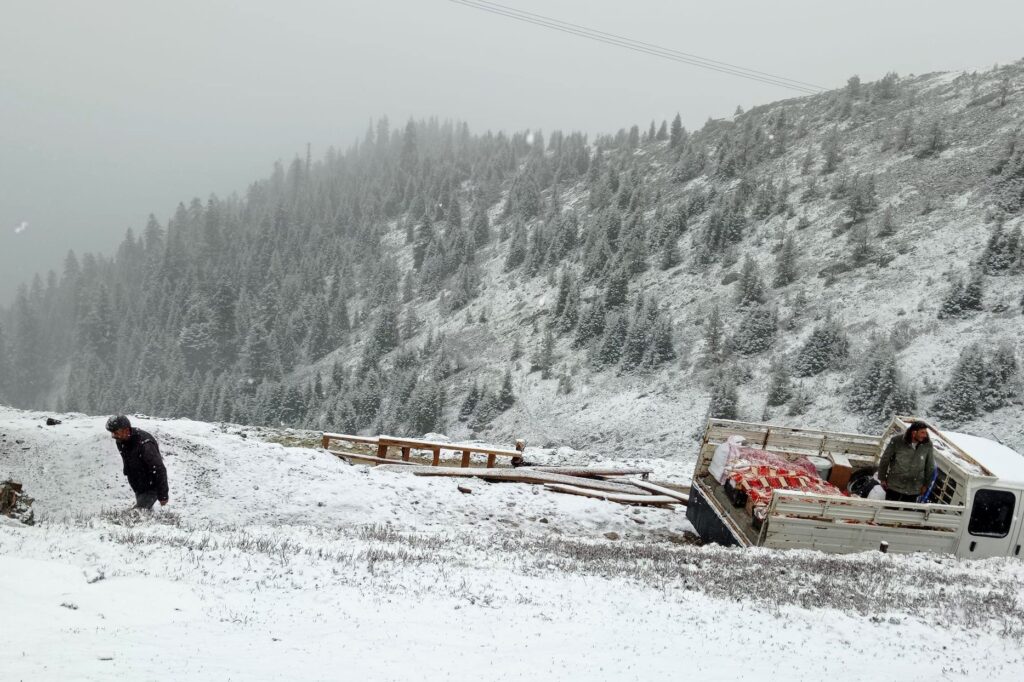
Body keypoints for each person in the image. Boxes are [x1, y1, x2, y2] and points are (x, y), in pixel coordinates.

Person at [106, 415, 169, 510]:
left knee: (136, 513)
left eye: (116, 432)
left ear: (126, 430)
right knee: (145, 513)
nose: (113, 436)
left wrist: (163, 495)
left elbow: (159, 469)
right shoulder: (121, 440)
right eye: (112, 433)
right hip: (138, 485)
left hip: (151, 486)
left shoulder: (145, 444)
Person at [877, 420, 935, 503]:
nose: (925, 435)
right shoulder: (897, 441)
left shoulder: (928, 444)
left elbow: (930, 466)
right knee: (890, 509)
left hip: (914, 488)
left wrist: (926, 485)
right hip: (895, 485)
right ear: (914, 433)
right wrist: (882, 478)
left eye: (926, 432)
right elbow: (885, 459)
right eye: (922, 432)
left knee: (908, 511)